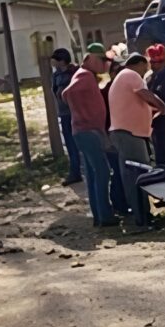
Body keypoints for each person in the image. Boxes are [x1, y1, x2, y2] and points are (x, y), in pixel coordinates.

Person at [109, 54, 165, 232]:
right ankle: (142, 219)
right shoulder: (130, 75)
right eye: (145, 67)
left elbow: (139, 104)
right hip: (129, 135)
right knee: (138, 176)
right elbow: (145, 94)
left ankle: (143, 216)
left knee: (135, 176)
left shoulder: (121, 78)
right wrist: (163, 106)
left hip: (127, 133)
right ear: (140, 64)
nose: (145, 71)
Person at [62, 43, 115, 227]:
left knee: (94, 175)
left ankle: (99, 216)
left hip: (85, 131)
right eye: (101, 60)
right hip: (88, 131)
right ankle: (105, 216)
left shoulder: (86, 76)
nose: (103, 64)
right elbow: (67, 93)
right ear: (91, 58)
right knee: (102, 173)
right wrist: (84, 114)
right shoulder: (84, 75)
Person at [101, 57, 130, 217]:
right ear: (111, 73)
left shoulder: (126, 89)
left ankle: (125, 204)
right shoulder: (106, 92)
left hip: (126, 135)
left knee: (126, 171)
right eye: (116, 71)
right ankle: (119, 205)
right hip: (112, 136)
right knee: (118, 173)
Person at [50, 48, 81, 185]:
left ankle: (81, 171)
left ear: (62, 60)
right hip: (64, 113)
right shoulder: (56, 75)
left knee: (80, 143)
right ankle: (75, 172)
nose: (52, 63)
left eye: (55, 60)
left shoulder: (74, 72)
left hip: (75, 112)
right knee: (70, 144)